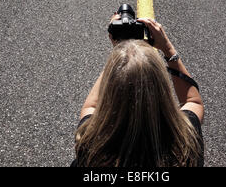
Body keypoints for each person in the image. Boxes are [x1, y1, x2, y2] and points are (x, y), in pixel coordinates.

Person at [71, 16, 204, 167]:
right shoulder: (186, 142)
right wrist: (167, 48)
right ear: (162, 86)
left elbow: (90, 107)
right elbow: (192, 101)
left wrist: (119, 53)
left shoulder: (90, 143)